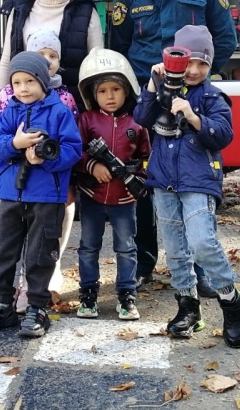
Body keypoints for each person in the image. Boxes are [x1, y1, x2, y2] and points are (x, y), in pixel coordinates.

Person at [108, 0, 236, 292]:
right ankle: (145, 261)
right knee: (147, 182)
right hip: (147, 101)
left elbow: (225, 39)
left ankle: (200, 270)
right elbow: (119, 46)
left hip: (190, 102)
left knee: (193, 180)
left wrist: (198, 83)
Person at [133, 25, 240, 348]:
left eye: (203, 64)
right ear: (176, 61)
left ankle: (231, 301)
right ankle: (188, 306)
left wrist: (194, 116)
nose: (195, 71)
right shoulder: (162, 88)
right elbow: (141, 118)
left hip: (199, 178)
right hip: (163, 179)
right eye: (189, 63)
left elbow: (223, 135)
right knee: (175, 250)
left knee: (201, 242)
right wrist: (152, 84)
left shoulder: (213, 96)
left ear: (211, 66)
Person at [0, 51, 81, 338]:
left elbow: (72, 149)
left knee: (40, 253)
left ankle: (36, 307)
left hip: (46, 195)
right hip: (10, 193)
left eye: (30, 81)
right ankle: (2, 304)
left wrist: (46, 159)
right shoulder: (10, 109)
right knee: (4, 250)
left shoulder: (59, 111)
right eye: (17, 82)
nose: (23, 88)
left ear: (43, 82)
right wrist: (16, 143)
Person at [74, 48, 150, 321]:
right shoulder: (86, 120)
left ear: (127, 89)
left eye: (115, 89)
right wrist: (92, 166)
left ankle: (127, 295)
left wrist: (137, 179)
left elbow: (146, 158)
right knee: (88, 246)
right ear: (93, 94)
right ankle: (88, 294)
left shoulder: (138, 123)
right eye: (103, 90)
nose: (109, 96)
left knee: (127, 247)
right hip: (92, 196)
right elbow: (76, 151)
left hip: (125, 199)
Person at [0, 0, 103, 110]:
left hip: (70, 111)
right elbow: (7, 60)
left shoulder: (85, 10)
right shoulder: (19, 9)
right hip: (23, 111)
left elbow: (96, 66)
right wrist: (0, 106)